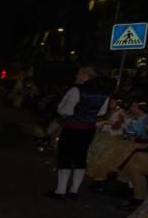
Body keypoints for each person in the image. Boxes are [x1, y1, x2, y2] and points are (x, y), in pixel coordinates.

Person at [46, 67, 109, 200]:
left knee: (65, 157)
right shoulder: (104, 93)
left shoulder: (76, 90)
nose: (76, 76)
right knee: (80, 156)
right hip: (88, 129)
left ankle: (61, 190)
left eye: (79, 74)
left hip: (72, 127)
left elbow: (64, 110)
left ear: (85, 76)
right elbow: (101, 112)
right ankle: (74, 190)